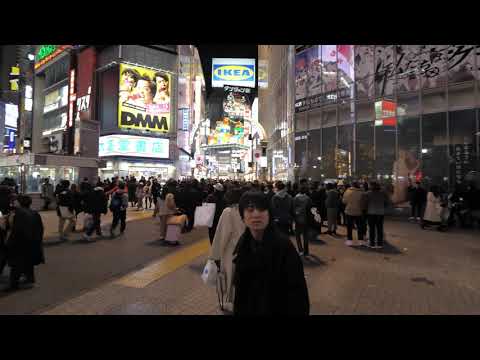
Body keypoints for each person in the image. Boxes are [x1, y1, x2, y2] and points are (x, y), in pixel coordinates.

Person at [232, 191, 310, 316]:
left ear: (269, 214)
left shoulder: (284, 247)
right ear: (242, 217)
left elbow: (298, 296)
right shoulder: (243, 245)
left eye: (262, 209)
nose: (256, 214)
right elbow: (240, 293)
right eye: (250, 209)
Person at [210, 188, 245, 312]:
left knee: (230, 277)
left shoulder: (228, 211)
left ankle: (230, 303)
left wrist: (215, 255)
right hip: (244, 249)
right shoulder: (244, 210)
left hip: (231, 251)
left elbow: (222, 234)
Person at [4, 195, 44, 292]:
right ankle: (30, 279)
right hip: (32, 242)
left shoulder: (18, 213)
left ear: (19, 202)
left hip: (20, 242)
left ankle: (13, 284)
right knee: (28, 262)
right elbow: (41, 228)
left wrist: (9, 242)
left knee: (16, 265)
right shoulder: (34, 213)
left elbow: (16, 230)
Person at [365, 182, 392, 249]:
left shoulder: (368, 193)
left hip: (371, 213)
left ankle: (372, 244)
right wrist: (382, 207)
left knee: (372, 229)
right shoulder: (383, 193)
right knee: (379, 228)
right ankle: (379, 244)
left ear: (372, 186)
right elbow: (387, 202)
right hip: (380, 213)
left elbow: (365, 203)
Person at [342, 181, 367, 246]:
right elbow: (364, 203)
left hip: (349, 211)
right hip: (359, 212)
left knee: (349, 227)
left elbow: (344, 201)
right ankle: (360, 241)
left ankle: (349, 241)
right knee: (360, 227)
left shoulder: (347, 191)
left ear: (352, 185)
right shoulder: (362, 192)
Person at [293, 184, 313, 256]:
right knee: (305, 235)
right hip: (306, 218)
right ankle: (306, 251)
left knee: (297, 235)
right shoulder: (308, 198)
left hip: (298, 218)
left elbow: (293, 208)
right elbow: (310, 208)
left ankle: (300, 250)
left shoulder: (296, 198)